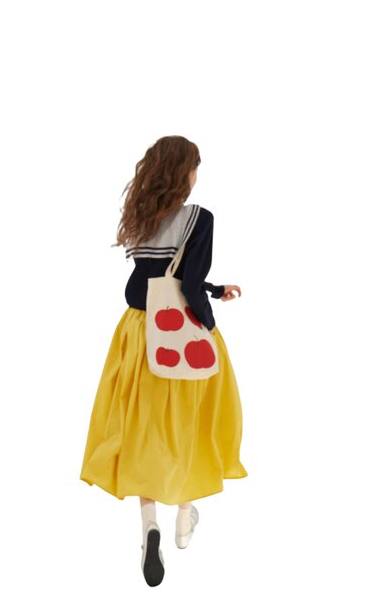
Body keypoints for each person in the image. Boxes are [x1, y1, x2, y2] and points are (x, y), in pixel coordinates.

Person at [79, 135, 248, 587]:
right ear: (184, 172)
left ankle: (149, 524)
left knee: (145, 427)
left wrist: (215, 288)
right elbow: (187, 285)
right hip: (181, 337)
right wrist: (208, 323)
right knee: (190, 423)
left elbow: (157, 278)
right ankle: (184, 517)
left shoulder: (141, 216)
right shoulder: (200, 218)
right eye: (195, 167)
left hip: (139, 332)